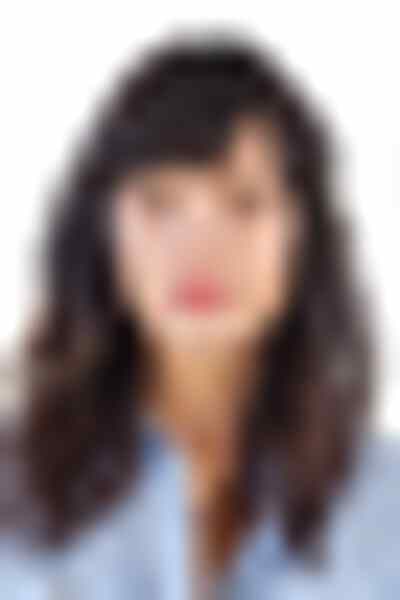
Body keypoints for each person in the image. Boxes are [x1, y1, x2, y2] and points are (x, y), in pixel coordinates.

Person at [1, 30, 399, 599]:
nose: (200, 248)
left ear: (302, 239)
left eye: (245, 204)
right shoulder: (14, 495)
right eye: (159, 204)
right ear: (103, 234)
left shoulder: (385, 510)